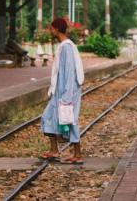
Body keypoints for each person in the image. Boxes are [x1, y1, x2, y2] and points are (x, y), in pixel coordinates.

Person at [40, 18, 85, 164]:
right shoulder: (63, 46)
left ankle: (77, 154)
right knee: (48, 117)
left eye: (52, 28)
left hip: (67, 91)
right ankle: (54, 150)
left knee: (70, 120)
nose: (50, 31)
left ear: (57, 29)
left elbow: (69, 72)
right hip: (59, 91)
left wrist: (66, 96)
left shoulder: (67, 47)